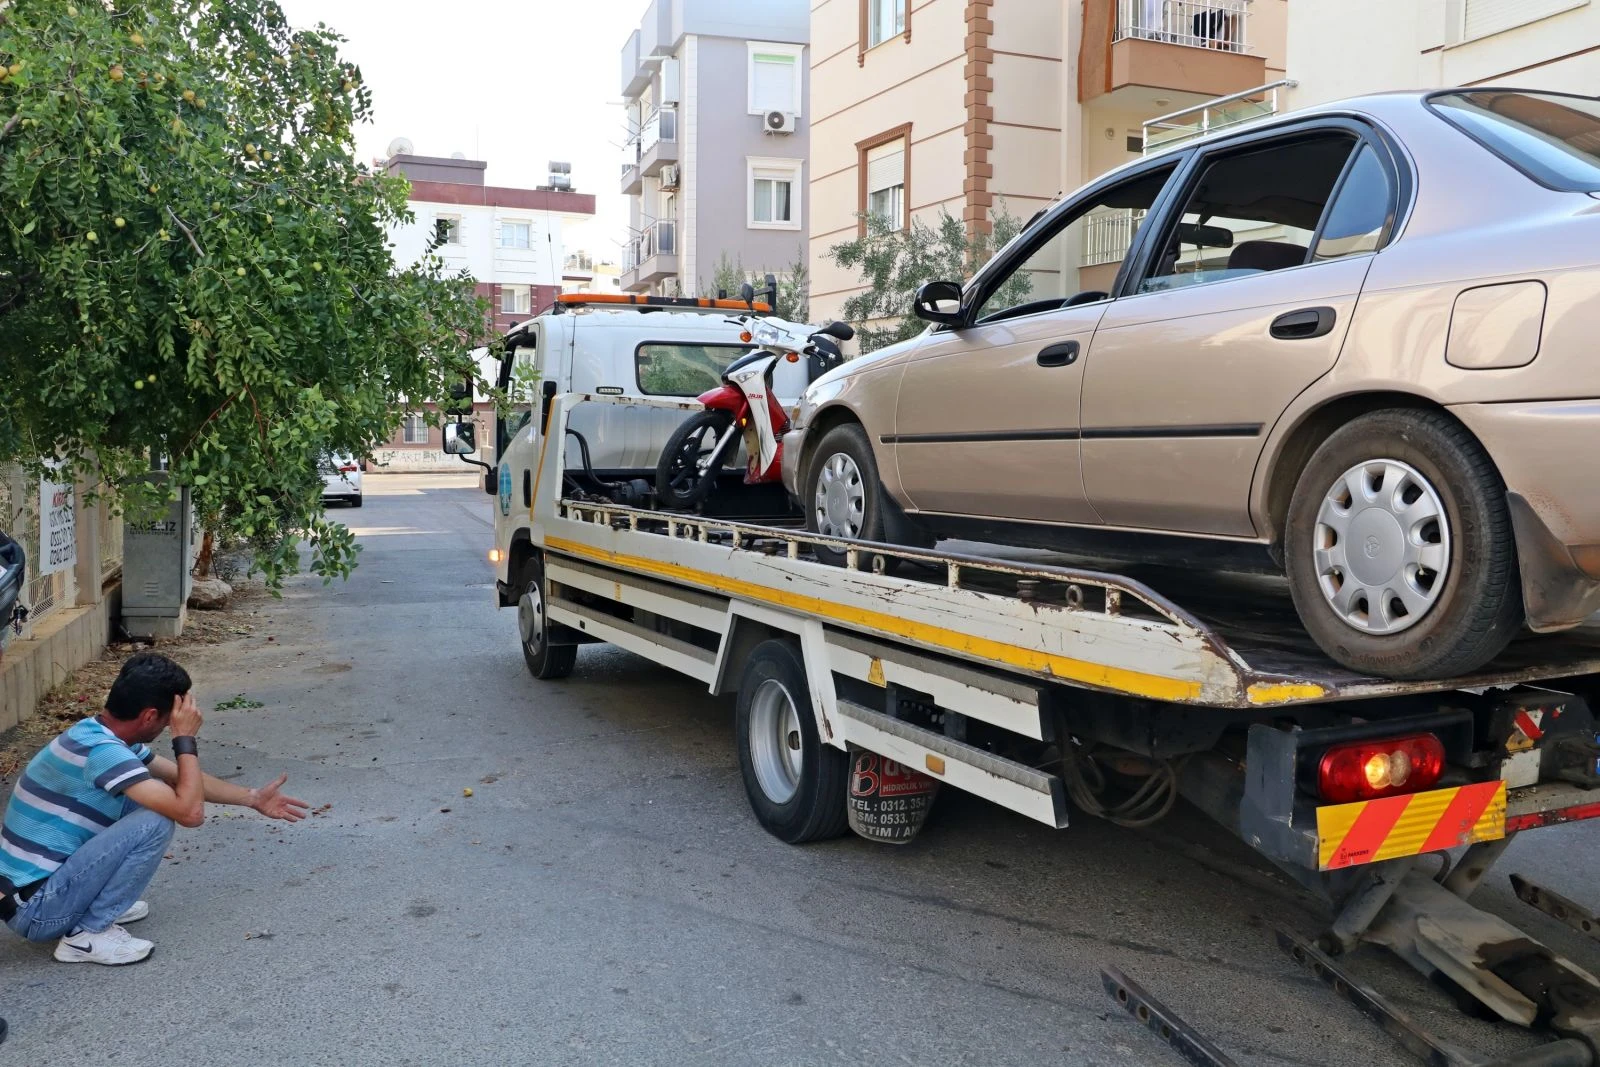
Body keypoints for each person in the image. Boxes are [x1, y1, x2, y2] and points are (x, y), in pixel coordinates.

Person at [0, 652, 309, 965]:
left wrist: (252, 798)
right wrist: (184, 738)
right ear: (149, 717)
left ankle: (93, 904)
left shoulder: (97, 734)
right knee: (158, 818)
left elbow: (180, 778)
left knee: (150, 794)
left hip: (30, 896)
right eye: (168, 719)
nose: (169, 726)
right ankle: (87, 934)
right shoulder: (104, 752)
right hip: (36, 910)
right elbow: (190, 812)